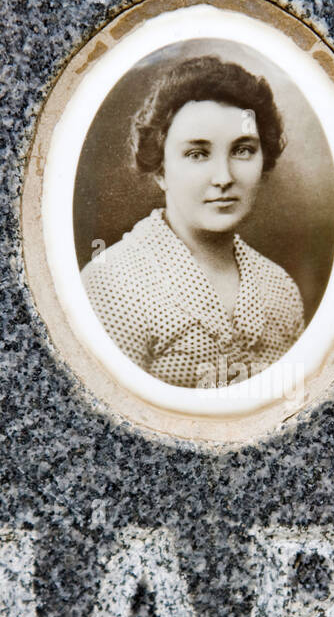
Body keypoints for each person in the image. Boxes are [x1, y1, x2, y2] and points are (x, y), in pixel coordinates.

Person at [81, 55, 306, 389]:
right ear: (160, 169)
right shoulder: (111, 286)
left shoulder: (280, 289)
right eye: (197, 154)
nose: (223, 177)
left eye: (243, 150)